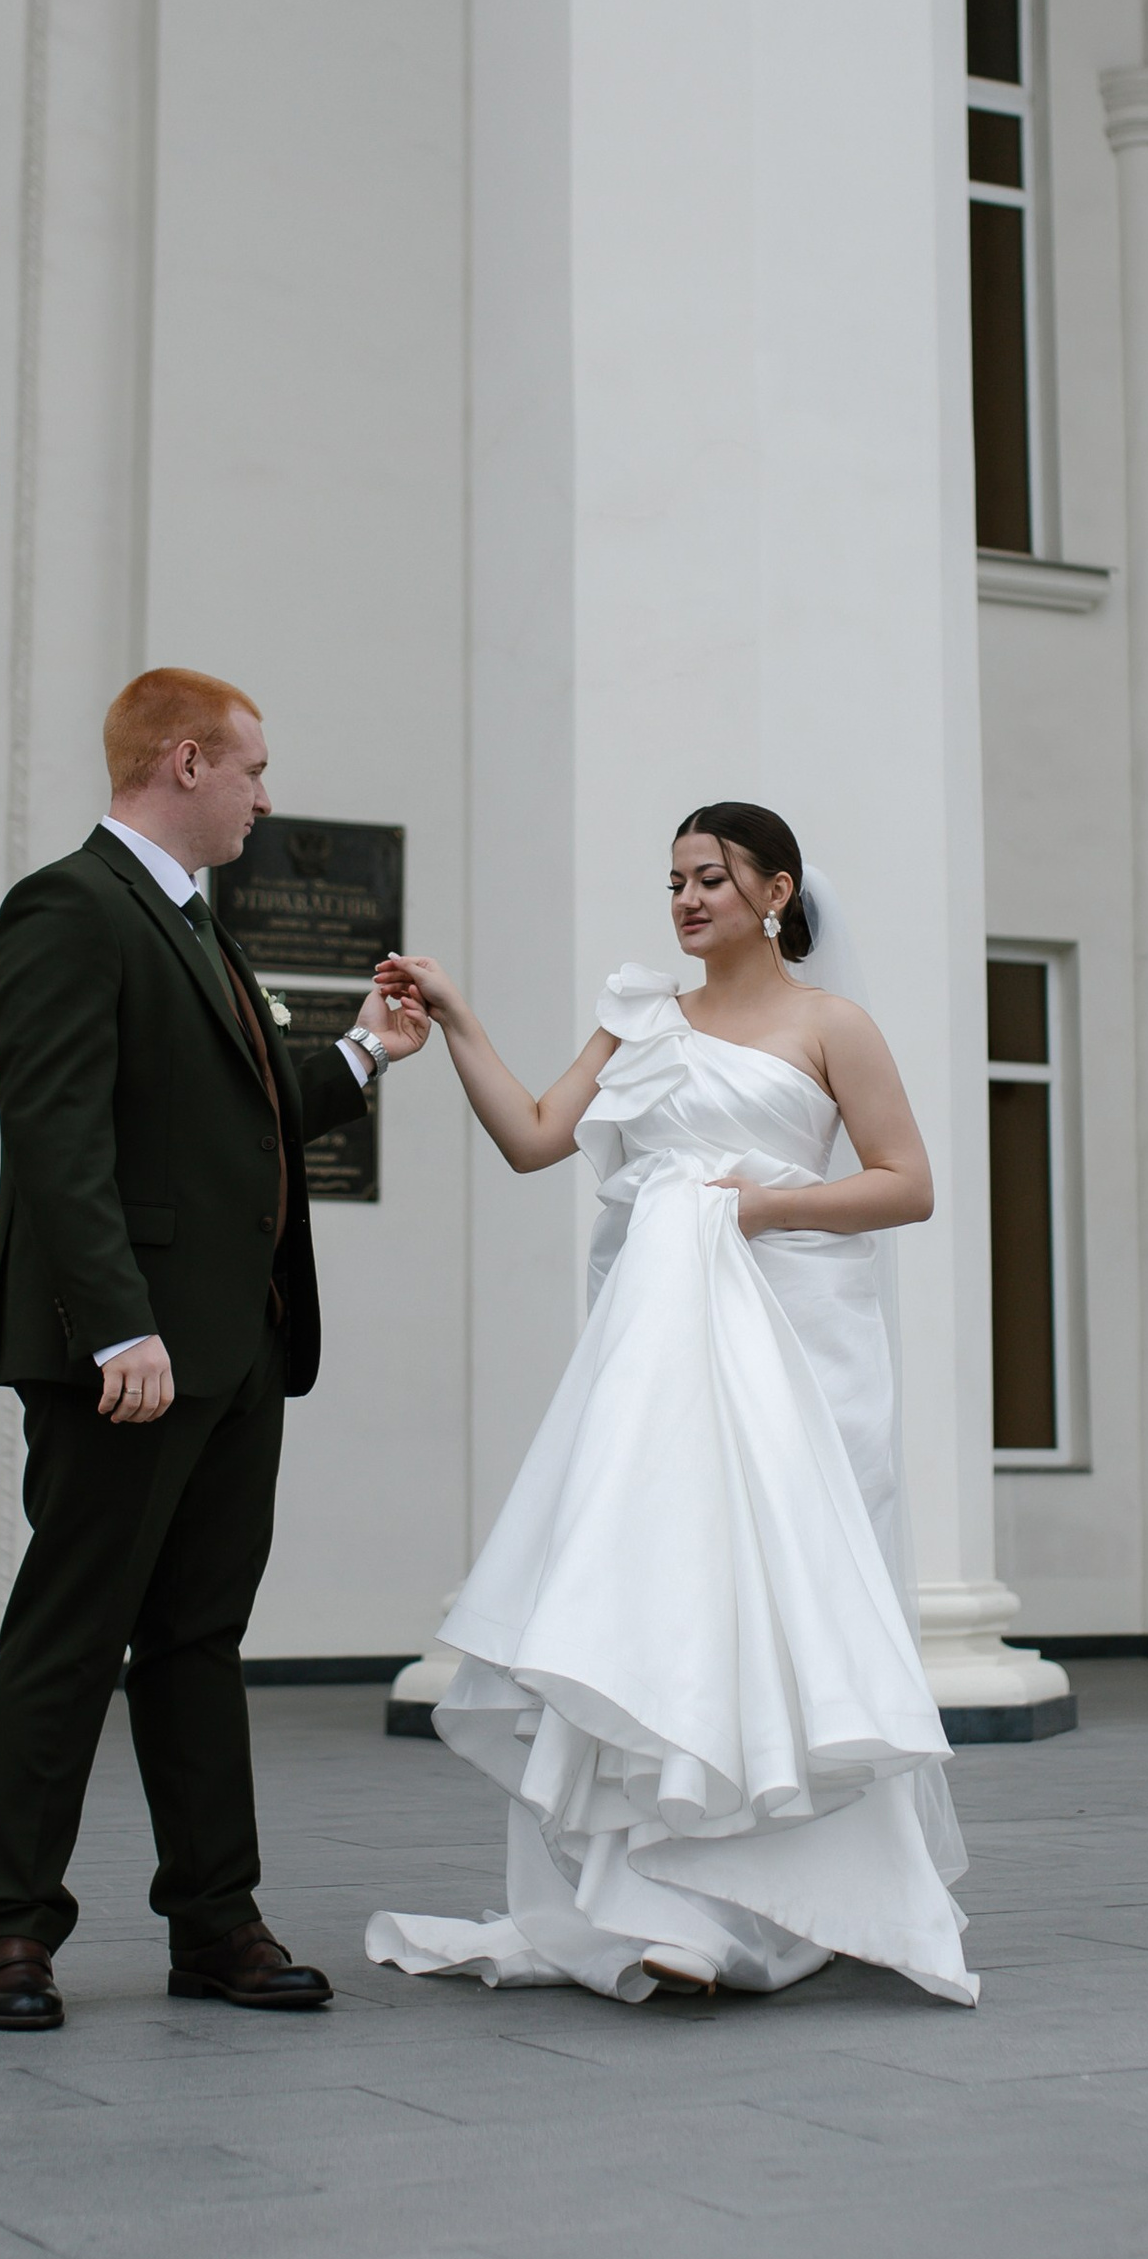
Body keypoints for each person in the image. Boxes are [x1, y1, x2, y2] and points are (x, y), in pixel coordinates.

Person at [367, 804, 976, 2006]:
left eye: (712, 879)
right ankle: (659, 1905)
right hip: (657, 1359)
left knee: (784, 1609)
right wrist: (459, 1025)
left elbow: (906, 1187)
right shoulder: (641, 1016)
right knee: (660, 1596)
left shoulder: (829, 1025)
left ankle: (793, 1906)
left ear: (775, 891)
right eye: (676, 881)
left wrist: (751, 1210)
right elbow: (537, 1139)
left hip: (798, 1345)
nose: (688, 899)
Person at [0, 668, 428, 2032]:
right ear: (185, 762)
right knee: (70, 1635)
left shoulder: (197, 929)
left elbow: (247, 1108)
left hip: (236, 1353)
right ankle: (12, 1937)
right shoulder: (67, 907)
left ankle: (215, 1923)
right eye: (254, 772)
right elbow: (57, 1133)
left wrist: (367, 1054)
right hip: (129, 1355)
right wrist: (118, 1323)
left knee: (197, 1643)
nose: (266, 799)